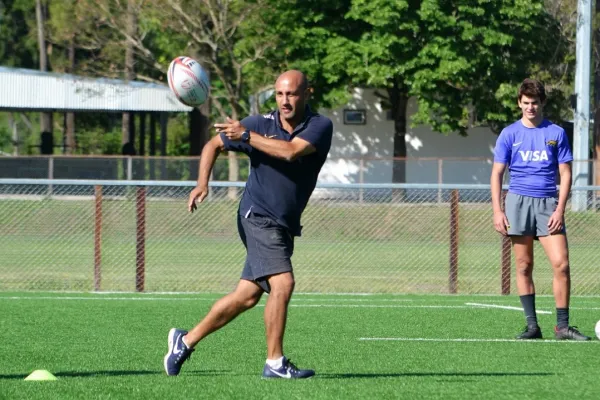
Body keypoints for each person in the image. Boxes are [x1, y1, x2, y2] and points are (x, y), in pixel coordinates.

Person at [163, 70, 333, 378]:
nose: (285, 101)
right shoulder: (258, 124)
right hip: (257, 216)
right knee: (283, 283)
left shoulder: (320, 126)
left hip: (282, 224)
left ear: (308, 93)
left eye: (292, 94)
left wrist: (246, 136)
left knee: (247, 297)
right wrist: (202, 183)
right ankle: (275, 363)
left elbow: (292, 151)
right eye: (280, 94)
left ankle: (184, 342)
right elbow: (212, 145)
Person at [490, 78, 590, 341]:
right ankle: (532, 326)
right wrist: (498, 211)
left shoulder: (556, 133)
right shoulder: (509, 134)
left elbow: (565, 173)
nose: (530, 107)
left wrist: (560, 209)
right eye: (525, 103)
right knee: (524, 265)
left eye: (535, 103)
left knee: (562, 264)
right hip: (518, 202)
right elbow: (497, 174)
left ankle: (563, 327)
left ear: (542, 103)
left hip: (548, 204)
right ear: (519, 103)